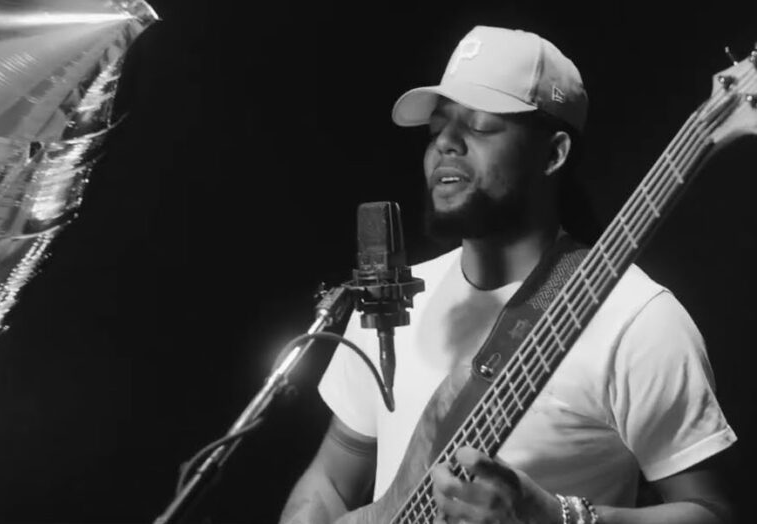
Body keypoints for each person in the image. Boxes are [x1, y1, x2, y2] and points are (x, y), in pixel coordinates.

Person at [279, 26, 737, 524]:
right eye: (437, 130)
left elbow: (712, 514)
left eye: (478, 126)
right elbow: (327, 483)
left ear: (554, 153)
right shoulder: (392, 300)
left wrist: (556, 516)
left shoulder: (638, 320)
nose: (446, 145)